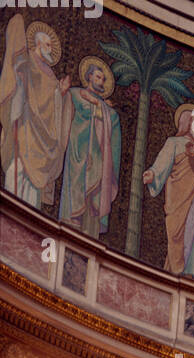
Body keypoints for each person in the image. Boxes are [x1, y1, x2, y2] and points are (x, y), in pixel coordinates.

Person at [0, 17, 71, 208]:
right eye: (47, 45)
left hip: (42, 135)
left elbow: (52, 102)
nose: (50, 49)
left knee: (34, 183)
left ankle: (30, 213)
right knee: (19, 168)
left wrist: (61, 93)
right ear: (38, 44)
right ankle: (9, 208)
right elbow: (18, 77)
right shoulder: (28, 59)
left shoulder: (51, 75)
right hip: (26, 124)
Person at [143, 104, 194, 277]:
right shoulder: (174, 143)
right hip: (179, 200)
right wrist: (152, 174)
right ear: (186, 124)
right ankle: (173, 273)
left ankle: (189, 276)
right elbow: (162, 164)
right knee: (178, 237)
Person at [58, 57, 119, 238]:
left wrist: (99, 106)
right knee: (75, 183)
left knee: (94, 191)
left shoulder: (106, 107)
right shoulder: (76, 93)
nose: (101, 81)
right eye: (98, 77)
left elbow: (113, 120)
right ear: (89, 76)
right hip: (77, 149)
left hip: (98, 155)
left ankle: (88, 233)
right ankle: (70, 223)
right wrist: (61, 93)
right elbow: (63, 111)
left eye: (103, 79)